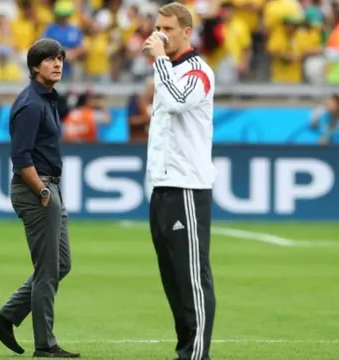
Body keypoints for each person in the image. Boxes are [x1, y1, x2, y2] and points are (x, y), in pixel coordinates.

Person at [0, 38, 79, 359]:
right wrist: (42, 191)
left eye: (60, 59)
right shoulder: (30, 104)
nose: (57, 64)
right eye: (49, 59)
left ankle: (6, 318)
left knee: (59, 264)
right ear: (35, 67)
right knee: (48, 269)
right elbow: (21, 159)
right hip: (37, 190)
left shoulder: (48, 98)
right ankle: (45, 345)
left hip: (48, 188)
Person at [142, 3, 217, 360]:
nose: (161, 34)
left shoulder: (198, 71)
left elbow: (176, 103)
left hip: (187, 185)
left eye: (168, 28)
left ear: (187, 31)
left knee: (191, 277)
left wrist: (158, 61)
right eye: (158, 27)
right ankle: (185, 350)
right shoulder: (169, 70)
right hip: (163, 185)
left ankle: (196, 354)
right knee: (173, 279)